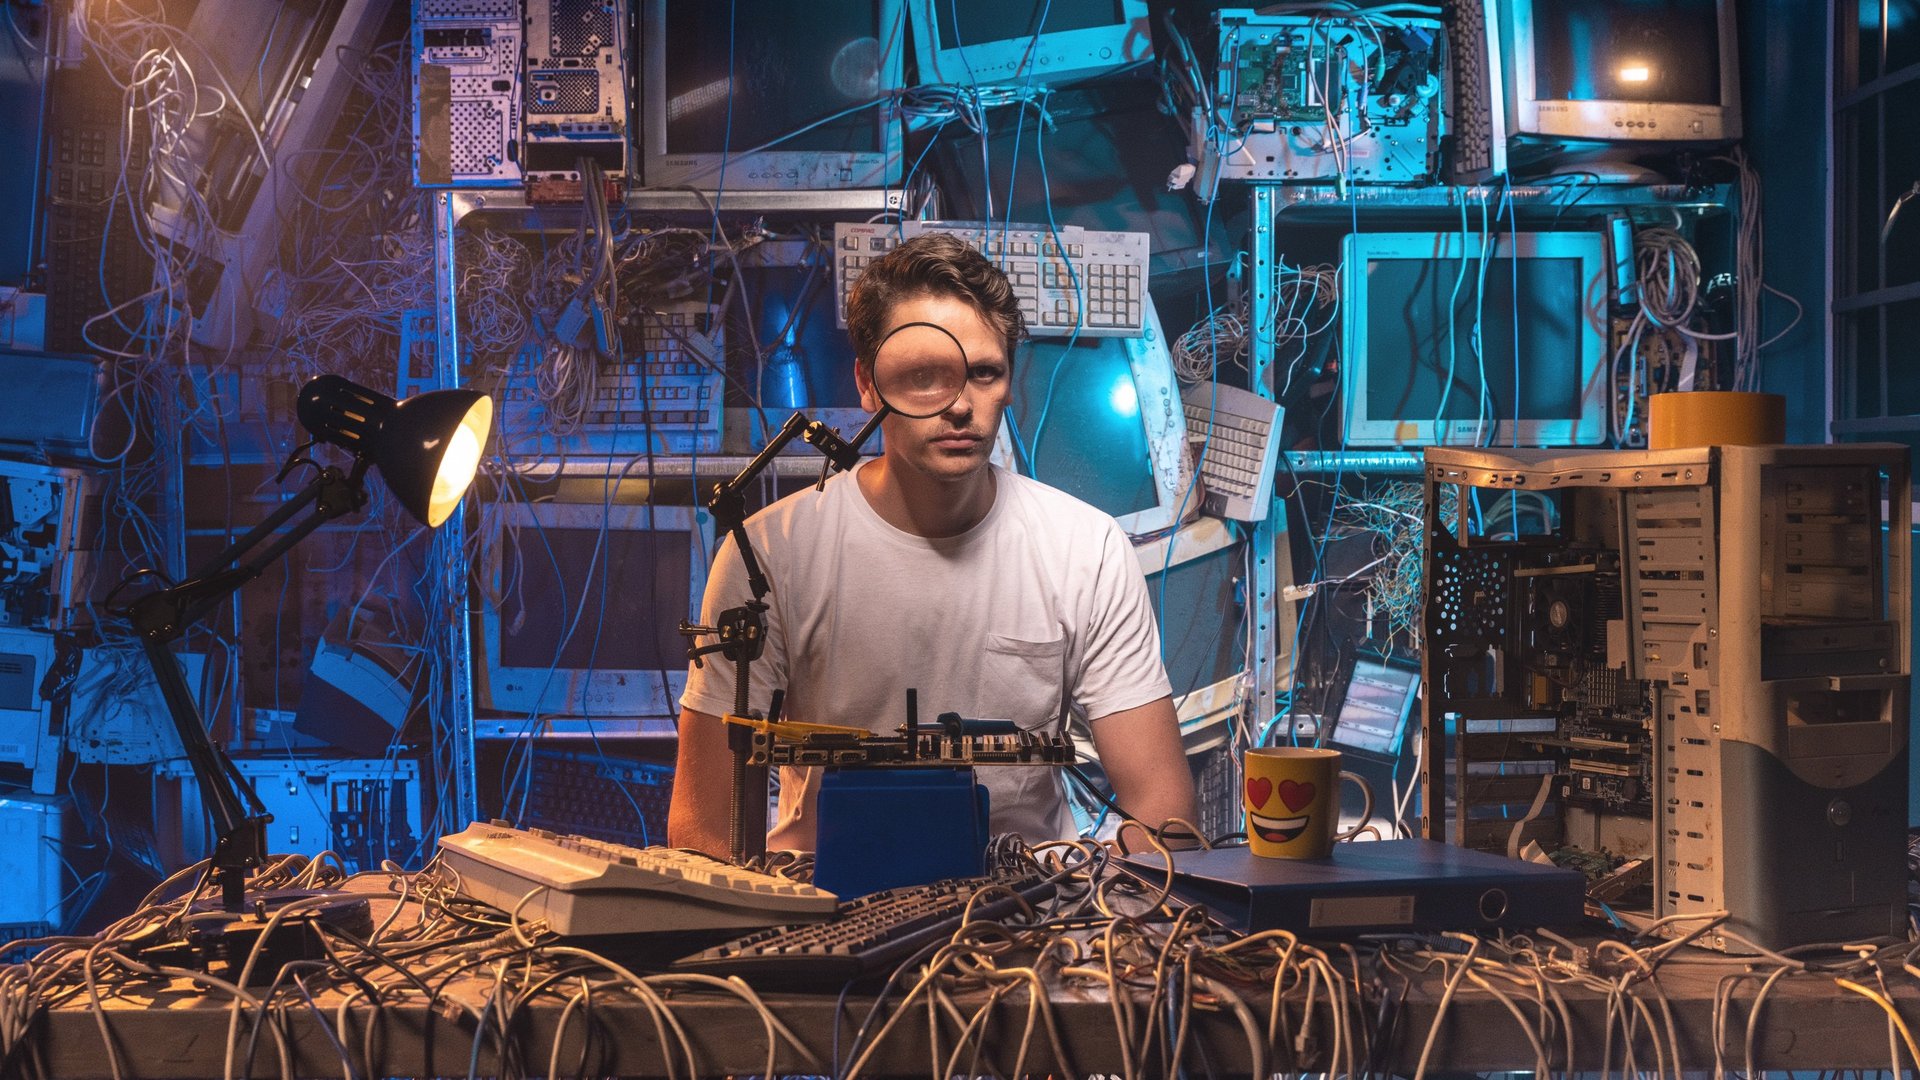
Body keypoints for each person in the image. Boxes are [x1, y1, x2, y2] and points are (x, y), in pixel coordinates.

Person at [668, 232, 1196, 853]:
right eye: (925, 376)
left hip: (1025, 919)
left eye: (983, 373)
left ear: (1008, 383)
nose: (959, 407)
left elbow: (1165, 814)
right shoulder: (768, 556)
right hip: (822, 908)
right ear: (867, 384)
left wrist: (1094, 911)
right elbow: (702, 831)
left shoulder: (1087, 549)